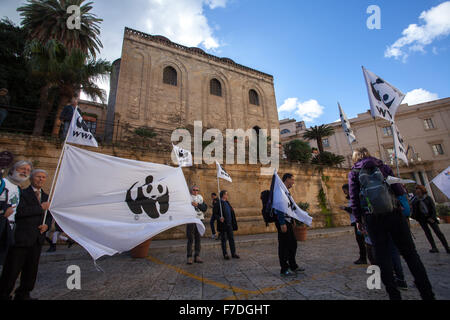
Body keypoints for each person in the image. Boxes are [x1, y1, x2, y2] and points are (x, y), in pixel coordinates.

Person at [348, 147, 435, 300]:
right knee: (410, 254)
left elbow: (354, 199)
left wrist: (358, 220)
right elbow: (399, 190)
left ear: (355, 158)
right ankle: (427, 293)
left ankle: (394, 295)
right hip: (394, 213)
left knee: (382, 256)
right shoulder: (383, 167)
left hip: (372, 217)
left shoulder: (353, 173)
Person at [0, 169, 50, 300]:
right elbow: (19, 212)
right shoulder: (21, 193)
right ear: (32, 178)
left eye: (43, 177)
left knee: (31, 270)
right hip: (21, 238)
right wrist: (40, 208)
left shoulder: (46, 197)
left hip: (37, 239)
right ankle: (4, 293)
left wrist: (47, 226)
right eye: (38, 176)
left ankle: (24, 293)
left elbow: (48, 216)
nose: (41, 179)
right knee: (12, 269)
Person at [274, 173, 304, 277]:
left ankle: (293, 265)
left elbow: (289, 207)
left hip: (288, 221)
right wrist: (282, 222)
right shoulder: (279, 191)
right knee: (284, 246)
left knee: (293, 244)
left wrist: (293, 219)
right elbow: (278, 207)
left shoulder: (286, 191)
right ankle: (284, 269)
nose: (293, 182)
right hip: (282, 222)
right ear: (287, 179)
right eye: (292, 180)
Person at [412, 185, 449, 254]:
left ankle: (446, 247)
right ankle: (434, 247)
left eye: (419, 191)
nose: (418, 193)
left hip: (430, 217)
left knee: (438, 232)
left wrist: (432, 217)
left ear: (422, 191)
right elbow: (414, 210)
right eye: (417, 192)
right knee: (428, 233)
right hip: (422, 218)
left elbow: (433, 208)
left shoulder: (428, 198)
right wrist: (417, 218)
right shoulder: (415, 200)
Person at [340, 184, 367, 265]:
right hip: (356, 221)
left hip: (358, 222)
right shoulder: (351, 198)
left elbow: (355, 209)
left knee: (361, 240)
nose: (344, 192)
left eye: (345, 190)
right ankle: (363, 257)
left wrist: (344, 208)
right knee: (360, 240)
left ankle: (363, 258)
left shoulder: (354, 198)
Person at [213, 190, 240, 260]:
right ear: (223, 195)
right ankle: (225, 254)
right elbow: (215, 214)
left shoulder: (227, 202)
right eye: (226, 194)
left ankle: (233, 253)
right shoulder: (218, 203)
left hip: (229, 224)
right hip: (223, 224)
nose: (227, 196)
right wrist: (219, 218)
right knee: (224, 240)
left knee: (231, 239)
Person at [186, 185, 207, 264]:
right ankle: (189, 257)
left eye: (197, 190)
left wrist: (197, 205)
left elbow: (205, 208)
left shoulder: (200, 197)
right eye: (194, 190)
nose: (195, 191)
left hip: (200, 219)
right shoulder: (188, 198)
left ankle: (197, 256)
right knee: (190, 238)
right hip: (191, 219)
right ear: (191, 190)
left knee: (198, 238)